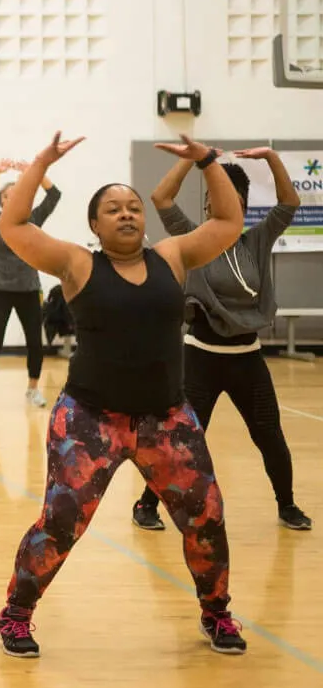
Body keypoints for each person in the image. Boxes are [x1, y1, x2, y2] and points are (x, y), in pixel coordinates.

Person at [0, 132, 247, 658]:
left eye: (134, 207)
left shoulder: (173, 257)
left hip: (167, 419)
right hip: (89, 419)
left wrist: (207, 160)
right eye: (113, 209)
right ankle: (17, 613)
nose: (127, 214)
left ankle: (217, 614)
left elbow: (227, 222)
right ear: (95, 224)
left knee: (207, 518)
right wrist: (41, 162)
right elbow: (13, 225)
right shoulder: (77, 264)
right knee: (61, 523)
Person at [131, 148, 310, 532]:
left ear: (242, 205)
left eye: (230, 198)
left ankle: (288, 505)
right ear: (209, 202)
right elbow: (162, 198)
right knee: (180, 440)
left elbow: (290, 202)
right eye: (213, 197)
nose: (219, 204)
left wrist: (271, 158)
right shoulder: (190, 237)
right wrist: (194, 157)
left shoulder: (257, 241)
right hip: (201, 357)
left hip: (247, 357)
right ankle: (146, 504)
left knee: (269, 435)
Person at [0, 159, 62, 408]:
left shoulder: (33, 220)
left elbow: (54, 194)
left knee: (35, 341)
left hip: (29, 290)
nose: (13, 198)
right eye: (8, 195)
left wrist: (35, 171)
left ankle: (33, 389)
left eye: (18, 194)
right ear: (1, 200)